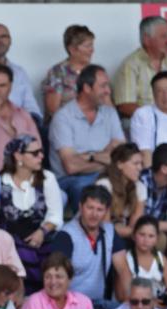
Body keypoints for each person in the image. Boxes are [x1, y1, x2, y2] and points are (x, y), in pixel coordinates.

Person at [49, 64, 124, 209]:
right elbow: (71, 166)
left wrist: (89, 156)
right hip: (71, 180)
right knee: (89, 188)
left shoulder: (110, 113)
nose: (108, 91)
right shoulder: (63, 118)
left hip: (105, 174)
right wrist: (107, 158)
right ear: (87, 88)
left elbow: (122, 156)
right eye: (103, 86)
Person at [0, 135, 62, 287]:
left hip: (42, 244)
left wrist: (42, 232)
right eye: (35, 153)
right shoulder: (0, 181)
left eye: (41, 151)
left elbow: (56, 215)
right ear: (18, 156)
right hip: (11, 247)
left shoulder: (47, 178)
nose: (41, 156)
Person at [51, 186, 118, 309]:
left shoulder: (110, 231)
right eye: (90, 208)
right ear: (80, 207)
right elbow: (57, 278)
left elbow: (123, 270)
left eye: (99, 209)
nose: (94, 214)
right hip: (72, 306)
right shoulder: (66, 235)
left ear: (106, 212)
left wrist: (130, 301)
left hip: (100, 305)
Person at [113, 15, 167, 118]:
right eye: (163, 37)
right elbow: (125, 106)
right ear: (147, 40)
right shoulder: (130, 65)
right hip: (142, 121)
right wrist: (157, 118)